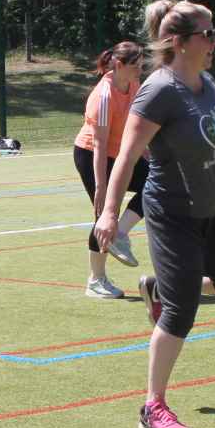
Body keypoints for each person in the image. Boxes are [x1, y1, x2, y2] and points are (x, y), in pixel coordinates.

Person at [94, 0, 215, 428]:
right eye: (208, 34)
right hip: (174, 212)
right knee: (182, 312)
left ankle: (160, 288)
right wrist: (109, 214)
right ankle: (153, 405)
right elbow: (127, 156)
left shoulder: (207, 82)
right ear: (180, 42)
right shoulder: (160, 90)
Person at [72, 41, 147, 298]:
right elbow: (100, 146)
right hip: (92, 154)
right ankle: (96, 280)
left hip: (120, 153)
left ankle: (120, 233)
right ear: (119, 64)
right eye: (136, 65)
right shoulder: (103, 96)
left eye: (142, 65)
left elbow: (136, 127)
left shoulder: (134, 86)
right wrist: (101, 187)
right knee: (103, 215)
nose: (140, 69)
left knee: (158, 183)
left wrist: (147, 154)